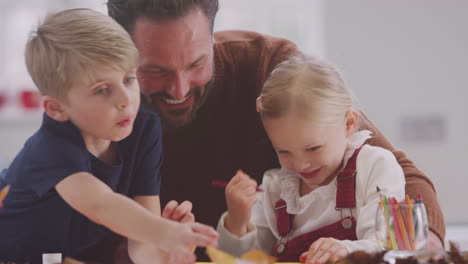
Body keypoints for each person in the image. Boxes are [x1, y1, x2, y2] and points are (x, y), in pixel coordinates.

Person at [107, 0, 445, 260]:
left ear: (211, 39)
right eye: (155, 70)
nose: (179, 89)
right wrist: (148, 252)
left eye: (196, 64)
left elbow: (404, 176)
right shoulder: (100, 105)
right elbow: (88, 235)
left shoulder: (270, 69)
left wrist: (416, 250)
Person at [0, 8, 217, 264]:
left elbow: (141, 247)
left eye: (129, 79)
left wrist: (162, 251)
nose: (126, 101)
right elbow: (101, 205)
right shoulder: (50, 148)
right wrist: (165, 231)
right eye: (102, 90)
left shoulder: (143, 129)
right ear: (56, 108)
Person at [217, 54, 406, 263]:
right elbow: (243, 259)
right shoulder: (276, 188)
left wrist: (347, 250)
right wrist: (237, 221)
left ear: (349, 124)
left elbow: (389, 245)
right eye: (283, 151)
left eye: (313, 148)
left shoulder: (375, 167)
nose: (299, 165)